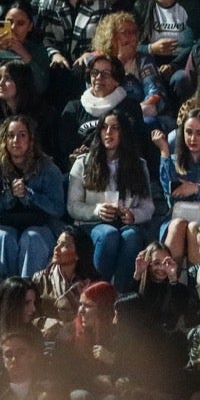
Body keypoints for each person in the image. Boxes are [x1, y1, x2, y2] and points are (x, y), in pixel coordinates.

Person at [66, 109, 156, 292]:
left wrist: (133, 215)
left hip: (125, 223)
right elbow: (73, 206)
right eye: (104, 128)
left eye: (115, 128)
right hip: (92, 225)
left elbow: (148, 206)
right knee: (108, 235)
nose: (109, 133)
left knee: (131, 236)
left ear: (123, 132)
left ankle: (119, 297)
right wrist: (97, 210)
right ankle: (94, 293)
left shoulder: (139, 165)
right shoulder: (83, 163)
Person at [0, 115, 66, 280]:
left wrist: (30, 195)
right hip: (4, 224)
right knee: (1, 237)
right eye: (11, 135)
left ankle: (29, 293)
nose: (16, 140)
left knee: (32, 238)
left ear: (30, 139)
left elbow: (58, 208)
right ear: (4, 140)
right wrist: (8, 197)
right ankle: (7, 292)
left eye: (22, 135)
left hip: (41, 226)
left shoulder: (48, 168)